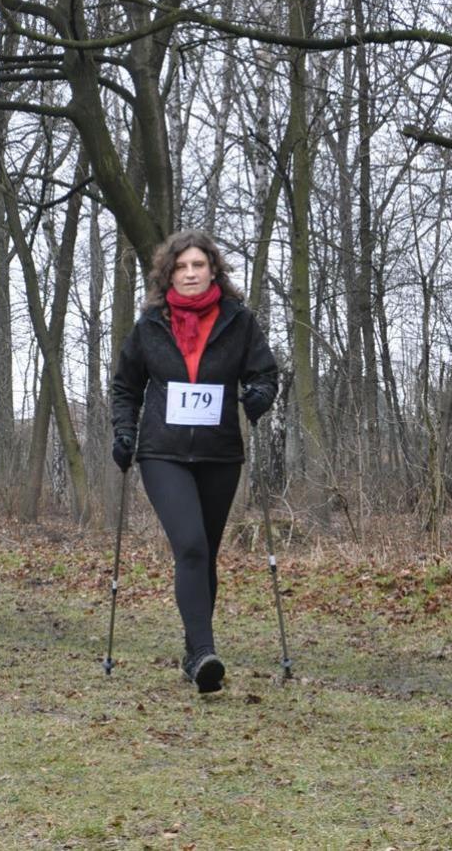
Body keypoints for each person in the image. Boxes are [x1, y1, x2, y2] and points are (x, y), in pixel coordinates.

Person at [111, 230, 277, 693]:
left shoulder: (238, 321)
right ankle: (205, 652)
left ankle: (193, 655)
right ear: (169, 274)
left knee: (204, 555)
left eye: (198, 265)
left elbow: (264, 373)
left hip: (219, 452)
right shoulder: (150, 325)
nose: (189, 274)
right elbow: (125, 386)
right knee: (189, 545)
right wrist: (123, 431)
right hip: (162, 452)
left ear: (213, 270)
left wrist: (259, 396)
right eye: (181, 267)